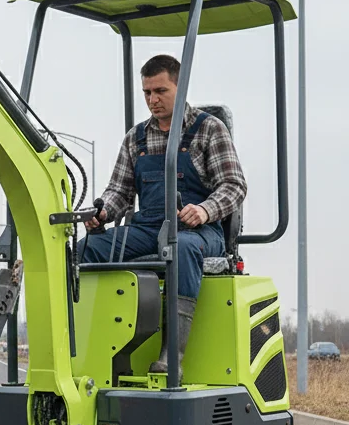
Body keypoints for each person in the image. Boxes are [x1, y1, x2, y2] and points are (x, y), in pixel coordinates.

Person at [80, 54, 247, 374]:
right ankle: (93, 348)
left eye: (160, 91)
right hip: (148, 225)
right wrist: (101, 213)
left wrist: (204, 210)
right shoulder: (136, 138)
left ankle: (172, 355)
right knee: (87, 249)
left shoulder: (209, 130)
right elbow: (120, 191)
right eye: (147, 93)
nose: (153, 100)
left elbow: (234, 185)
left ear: (180, 87)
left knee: (180, 248)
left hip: (198, 230)